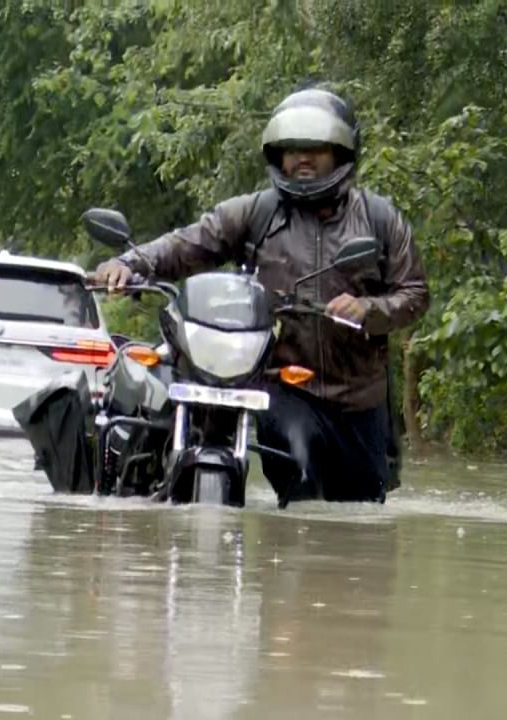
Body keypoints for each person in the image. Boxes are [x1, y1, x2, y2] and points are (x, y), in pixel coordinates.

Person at [93, 87, 429, 503]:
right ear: (277, 154)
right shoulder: (258, 212)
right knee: (302, 477)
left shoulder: (379, 218)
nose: (302, 159)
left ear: (341, 152)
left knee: (364, 511)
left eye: (316, 149)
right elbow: (190, 242)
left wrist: (370, 309)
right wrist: (131, 262)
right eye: (291, 150)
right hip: (285, 384)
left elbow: (414, 292)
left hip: (360, 396)